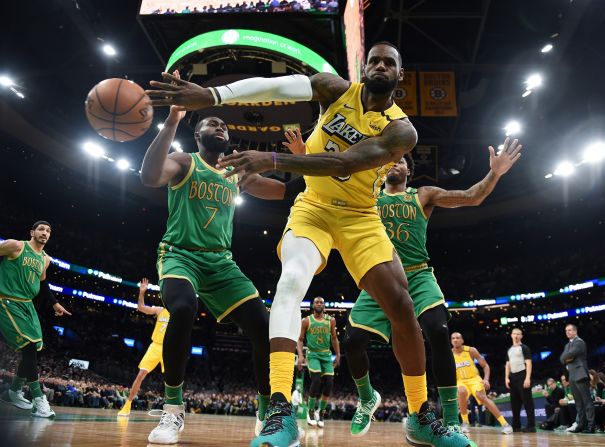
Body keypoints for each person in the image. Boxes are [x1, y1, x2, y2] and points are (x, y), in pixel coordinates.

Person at [146, 42, 468, 447]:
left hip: (360, 216)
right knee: (291, 281)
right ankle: (281, 410)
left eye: (390, 62)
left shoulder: (401, 130)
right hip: (312, 208)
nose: (381, 66)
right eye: (375, 61)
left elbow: (346, 163)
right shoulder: (334, 89)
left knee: (402, 304)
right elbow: (276, 87)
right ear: (364, 68)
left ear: (399, 75)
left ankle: (420, 415)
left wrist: (276, 162)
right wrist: (212, 96)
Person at [282, 129, 521, 439]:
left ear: (409, 169)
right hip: (380, 277)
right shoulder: (368, 196)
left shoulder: (423, 195)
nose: (395, 164)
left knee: (437, 330)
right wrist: (302, 157)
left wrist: (494, 173)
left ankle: (450, 418)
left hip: (418, 274)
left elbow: (472, 196)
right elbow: (328, 183)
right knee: (352, 342)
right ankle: (367, 397)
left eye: (402, 161)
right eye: (390, 160)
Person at [140, 71, 288, 444]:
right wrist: (173, 118)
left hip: (221, 263)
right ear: (198, 134)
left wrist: (299, 161)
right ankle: (172, 411)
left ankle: (264, 412)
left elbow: (281, 192)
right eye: (210, 121)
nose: (218, 125)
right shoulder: (185, 162)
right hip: (180, 255)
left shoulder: (237, 173)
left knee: (262, 328)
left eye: (222, 123)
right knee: (184, 309)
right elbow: (149, 176)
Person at [0, 221, 71, 417]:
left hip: (27, 305)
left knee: (33, 349)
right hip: (7, 301)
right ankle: (39, 399)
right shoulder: (16, 245)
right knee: (29, 348)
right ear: (32, 232)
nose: (45, 233)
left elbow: (43, 282)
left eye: (48, 230)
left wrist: (54, 303)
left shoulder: (45, 259)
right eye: (41, 229)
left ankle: (13, 392)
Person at [118, 278, 170, 416]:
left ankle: (173, 410)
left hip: (169, 348)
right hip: (155, 346)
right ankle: (127, 405)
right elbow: (141, 308)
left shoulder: (179, 313)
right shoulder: (160, 310)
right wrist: (142, 293)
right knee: (141, 374)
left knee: (171, 379)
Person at [450, 332, 513, 434]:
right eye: (453, 338)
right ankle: (465, 423)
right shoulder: (449, 354)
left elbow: (485, 366)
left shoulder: (471, 350)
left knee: (481, 396)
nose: (455, 340)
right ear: (451, 341)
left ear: (462, 340)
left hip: (474, 379)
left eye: (458, 338)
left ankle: (505, 424)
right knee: (461, 392)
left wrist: (486, 379)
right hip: (460, 381)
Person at [296, 296, 341, 428]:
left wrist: (338, 354)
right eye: (317, 302)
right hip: (313, 354)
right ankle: (310, 411)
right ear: (313, 305)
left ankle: (320, 412)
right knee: (316, 380)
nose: (319, 304)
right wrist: (300, 355)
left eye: (322, 302)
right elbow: (299, 340)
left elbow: (334, 338)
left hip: (326, 355)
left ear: (324, 306)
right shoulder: (306, 321)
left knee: (329, 383)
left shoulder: (331, 321)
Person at [559, 323, 595, 433]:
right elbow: (562, 358)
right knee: (578, 403)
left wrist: (568, 358)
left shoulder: (579, 342)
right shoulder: (567, 345)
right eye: (566, 330)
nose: (568, 332)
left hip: (580, 374)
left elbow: (569, 355)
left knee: (586, 401)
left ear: (575, 331)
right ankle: (580, 425)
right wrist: (568, 358)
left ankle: (591, 425)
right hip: (572, 375)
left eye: (570, 330)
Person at [504, 327, 535, 432]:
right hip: (513, 378)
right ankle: (516, 426)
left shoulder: (524, 348)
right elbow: (507, 364)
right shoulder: (509, 349)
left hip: (523, 375)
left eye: (518, 334)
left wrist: (527, 378)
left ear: (521, 336)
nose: (516, 336)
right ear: (511, 335)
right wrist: (506, 378)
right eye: (514, 334)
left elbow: (529, 363)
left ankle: (531, 426)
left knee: (527, 402)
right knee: (514, 404)